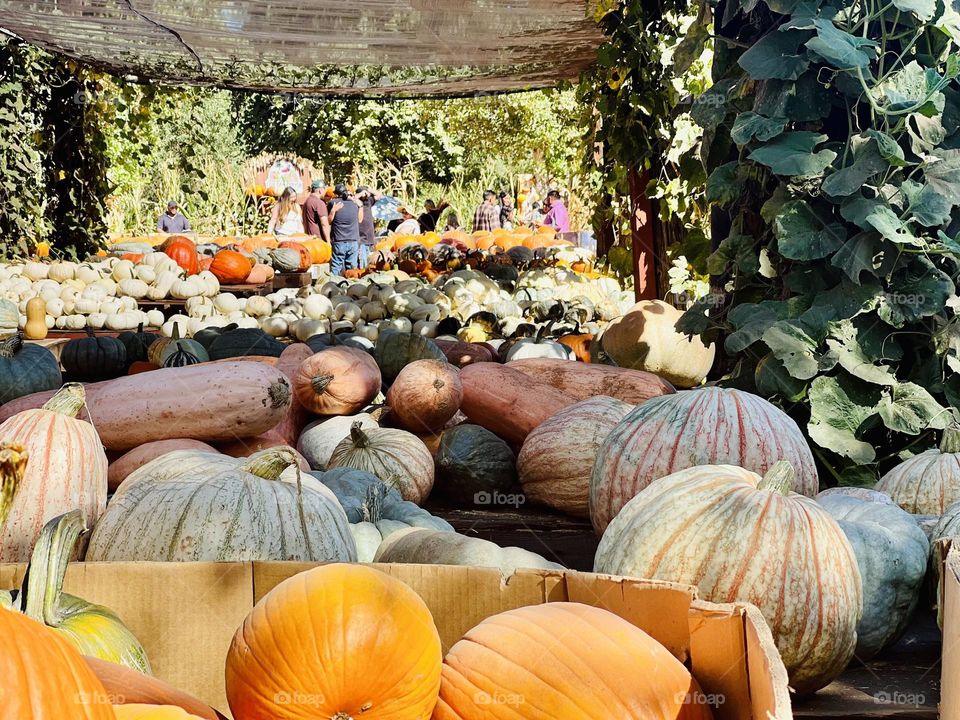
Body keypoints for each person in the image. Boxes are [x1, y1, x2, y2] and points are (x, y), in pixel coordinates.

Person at [327, 183, 363, 276]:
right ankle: (353, 288)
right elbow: (360, 220)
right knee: (352, 269)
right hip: (353, 241)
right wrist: (361, 206)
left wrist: (333, 210)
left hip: (339, 241)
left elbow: (329, 221)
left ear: (336, 194)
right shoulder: (355, 204)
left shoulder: (333, 203)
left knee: (336, 267)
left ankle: (333, 286)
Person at [357, 186, 380, 268]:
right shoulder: (356, 203)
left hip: (369, 236)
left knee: (368, 260)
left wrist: (369, 190)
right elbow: (351, 198)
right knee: (362, 262)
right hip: (361, 237)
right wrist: (359, 194)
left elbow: (379, 195)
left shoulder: (369, 201)